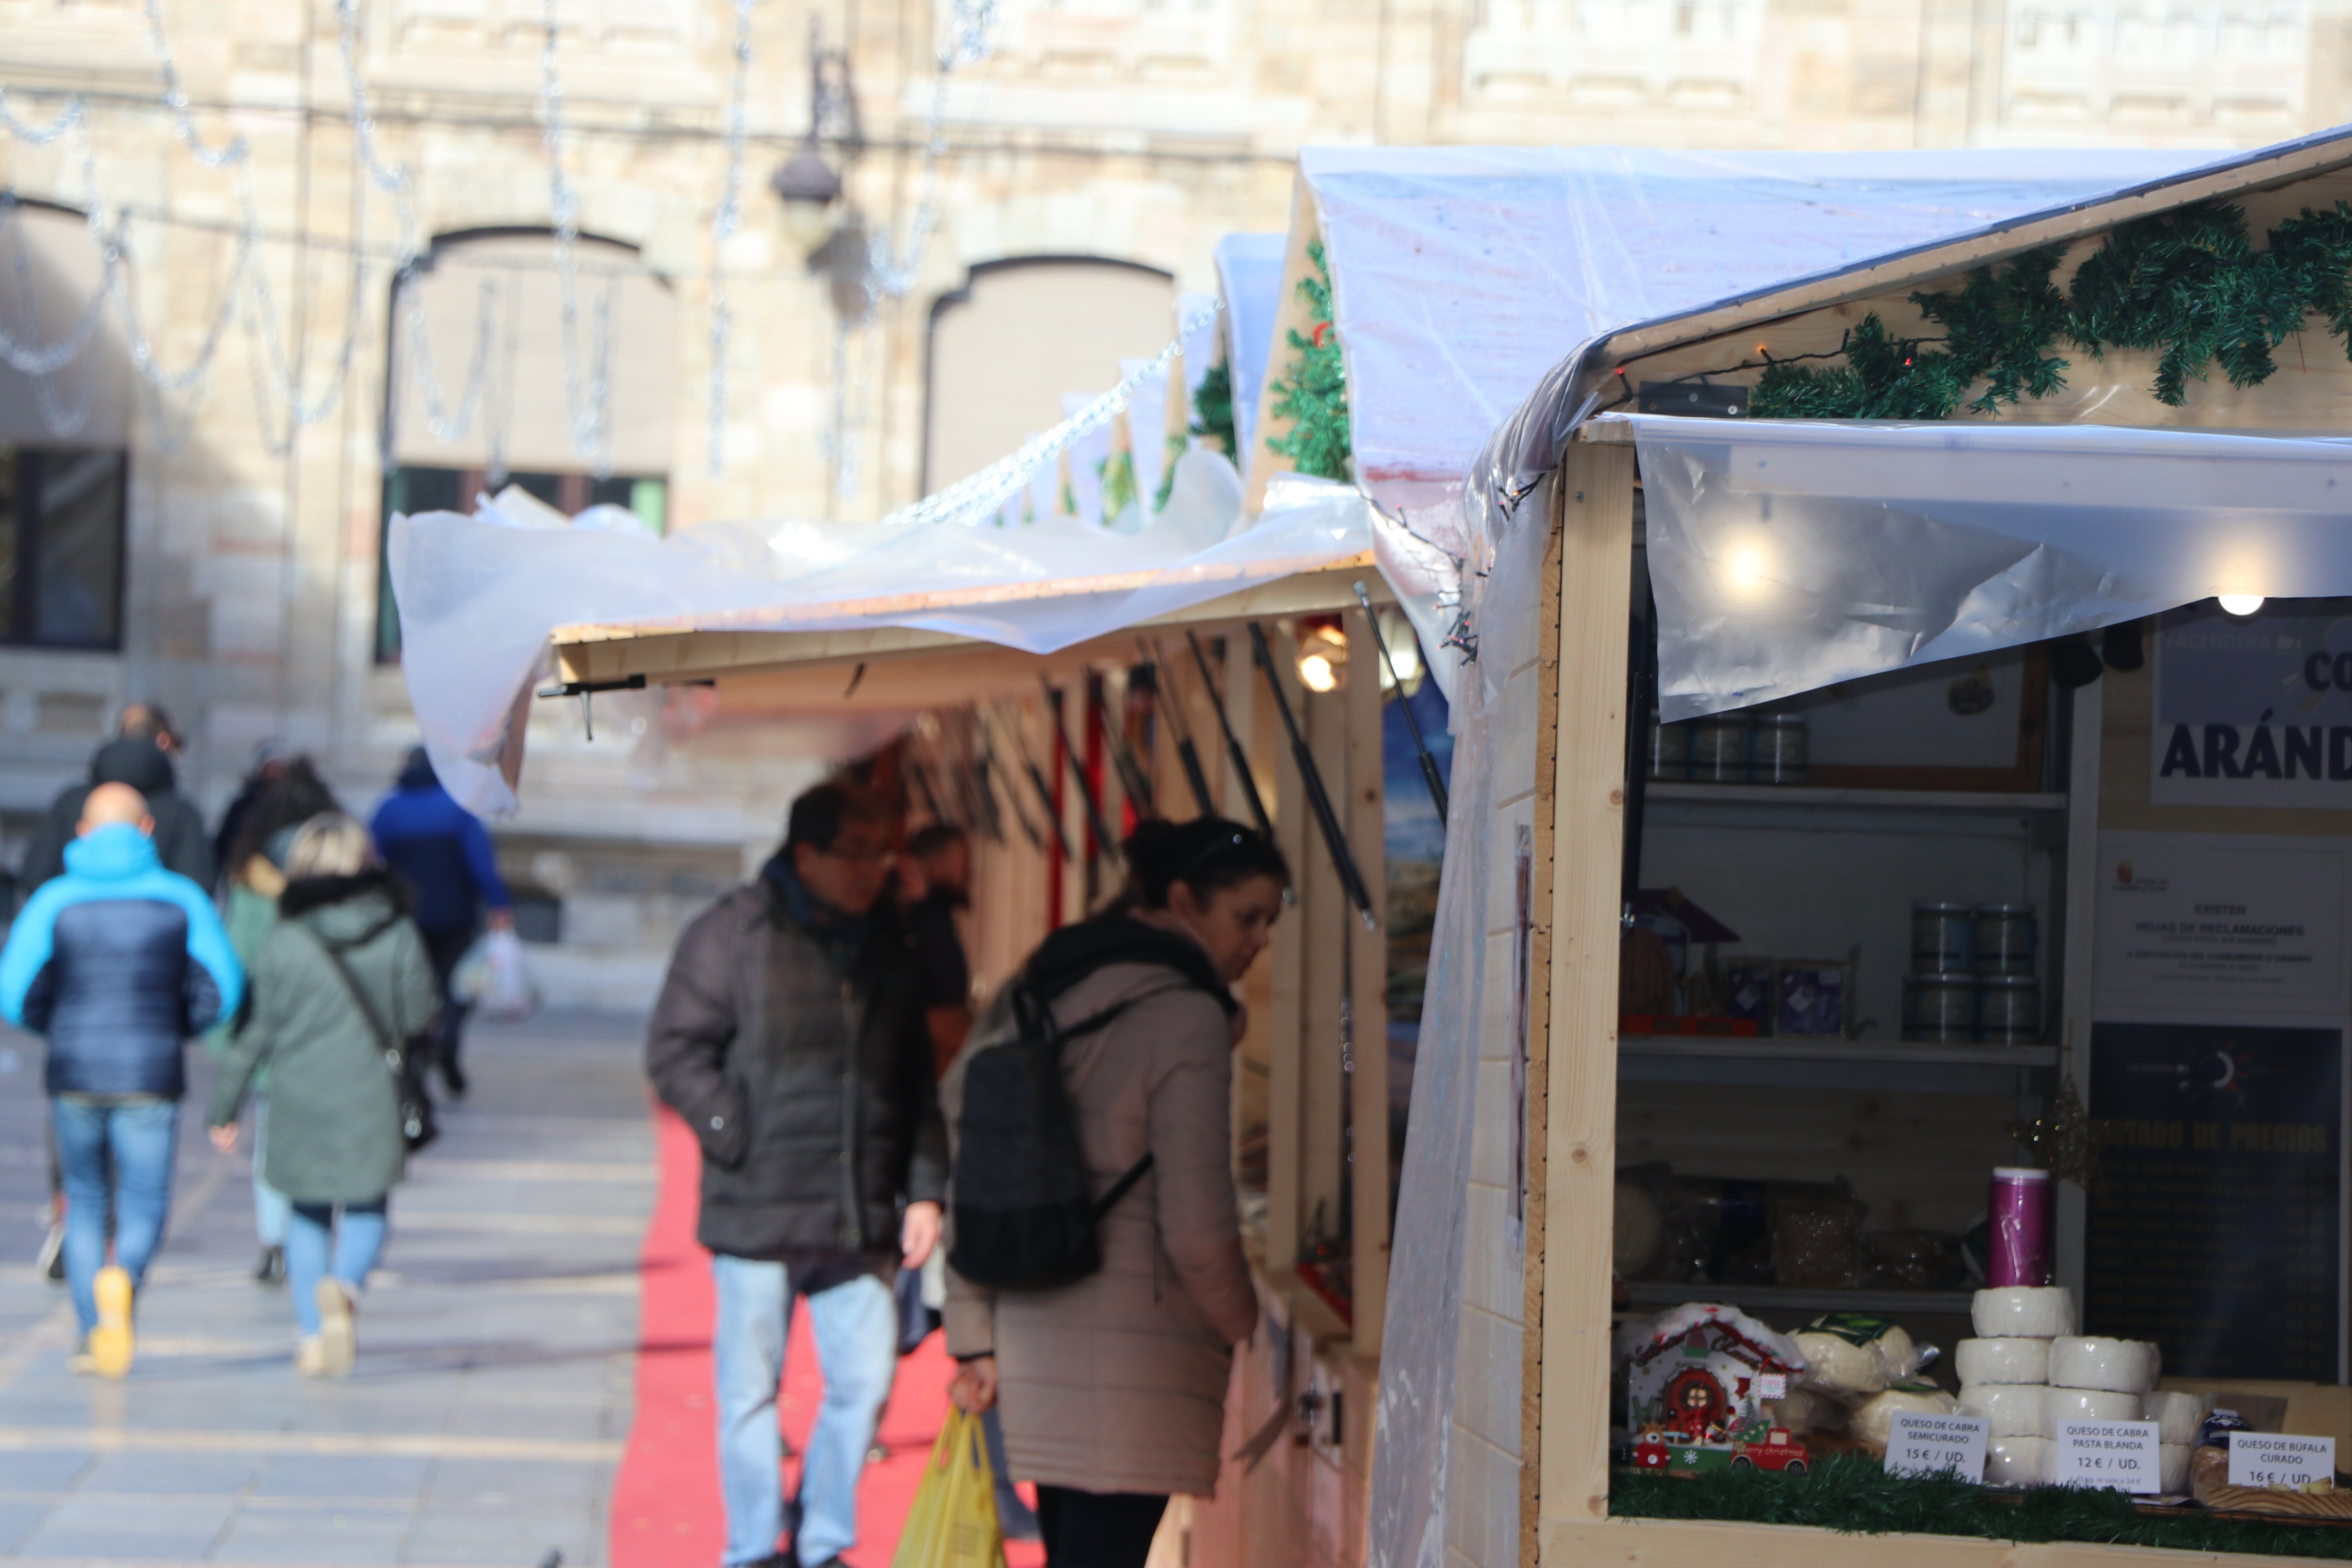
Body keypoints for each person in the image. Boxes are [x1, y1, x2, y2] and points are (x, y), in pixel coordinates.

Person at [944, 817, 1287, 1568]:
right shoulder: (1186, 1018)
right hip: (1139, 1360)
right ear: (1182, 901)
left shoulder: (1049, 980)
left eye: (1271, 920)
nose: (1261, 939)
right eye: (1248, 916)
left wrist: (973, 1324)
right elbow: (1198, 1227)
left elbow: (971, 1151)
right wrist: (1243, 1322)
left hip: (1036, 1326)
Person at [645, 781, 947, 1568]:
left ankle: (821, 1541)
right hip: (760, 1203)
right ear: (806, 853)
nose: (871, 871)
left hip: (858, 1205)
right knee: (750, 1390)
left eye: (881, 854)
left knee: (864, 1379)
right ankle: (750, 1546)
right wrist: (735, 1131)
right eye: (855, 853)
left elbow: (915, 1075)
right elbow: (676, 1048)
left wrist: (925, 1187)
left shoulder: (890, 938)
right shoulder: (734, 931)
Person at [0, 782, 243, 1378]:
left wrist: (55, 1026)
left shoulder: (54, 901)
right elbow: (226, 988)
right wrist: (178, 1026)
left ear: (82, 832)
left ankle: (91, 1332)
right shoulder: (182, 898)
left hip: (74, 1072)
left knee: (83, 1200)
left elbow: (13, 995)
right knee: (145, 1199)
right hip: (151, 1072)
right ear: (147, 831)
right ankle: (124, 1276)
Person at [208, 813, 438, 1377]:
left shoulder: (285, 939)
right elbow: (421, 1012)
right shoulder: (397, 930)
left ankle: (314, 1332)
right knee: (368, 1204)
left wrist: (225, 1106)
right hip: (371, 1093)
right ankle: (349, 1290)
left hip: (298, 1093)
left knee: (305, 1214)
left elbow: (257, 1030)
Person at [208, 756, 342, 1284]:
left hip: (271, 1025)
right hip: (333, 1030)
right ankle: (312, 1229)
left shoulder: (250, 880)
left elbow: (234, 960)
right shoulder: (343, 875)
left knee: (271, 1136)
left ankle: (274, 1242)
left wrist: (228, 1041)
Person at [369, 746, 512, 1097]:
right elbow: (481, 864)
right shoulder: (458, 809)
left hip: (406, 921)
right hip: (454, 916)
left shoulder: (388, 810)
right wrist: (499, 903)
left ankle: (416, 1054)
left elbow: (372, 864)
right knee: (457, 988)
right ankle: (447, 1042)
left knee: (410, 989)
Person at [20, 703, 213, 894]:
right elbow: (197, 888)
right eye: (176, 747)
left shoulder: (69, 802)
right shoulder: (182, 812)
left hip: (76, 922)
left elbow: (36, 874)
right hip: (155, 922)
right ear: (163, 742)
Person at [901, 824, 976, 1080]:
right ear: (935, 861)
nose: (968, 874)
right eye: (962, 862)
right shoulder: (917, 921)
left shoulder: (935, 915)